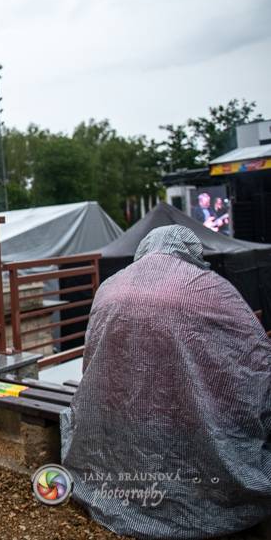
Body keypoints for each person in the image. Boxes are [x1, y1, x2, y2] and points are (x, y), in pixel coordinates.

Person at [61, 225, 271, 539]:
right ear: (191, 252)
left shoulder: (110, 286)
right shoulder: (207, 287)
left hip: (120, 425)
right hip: (186, 423)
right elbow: (253, 356)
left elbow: (90, 361)